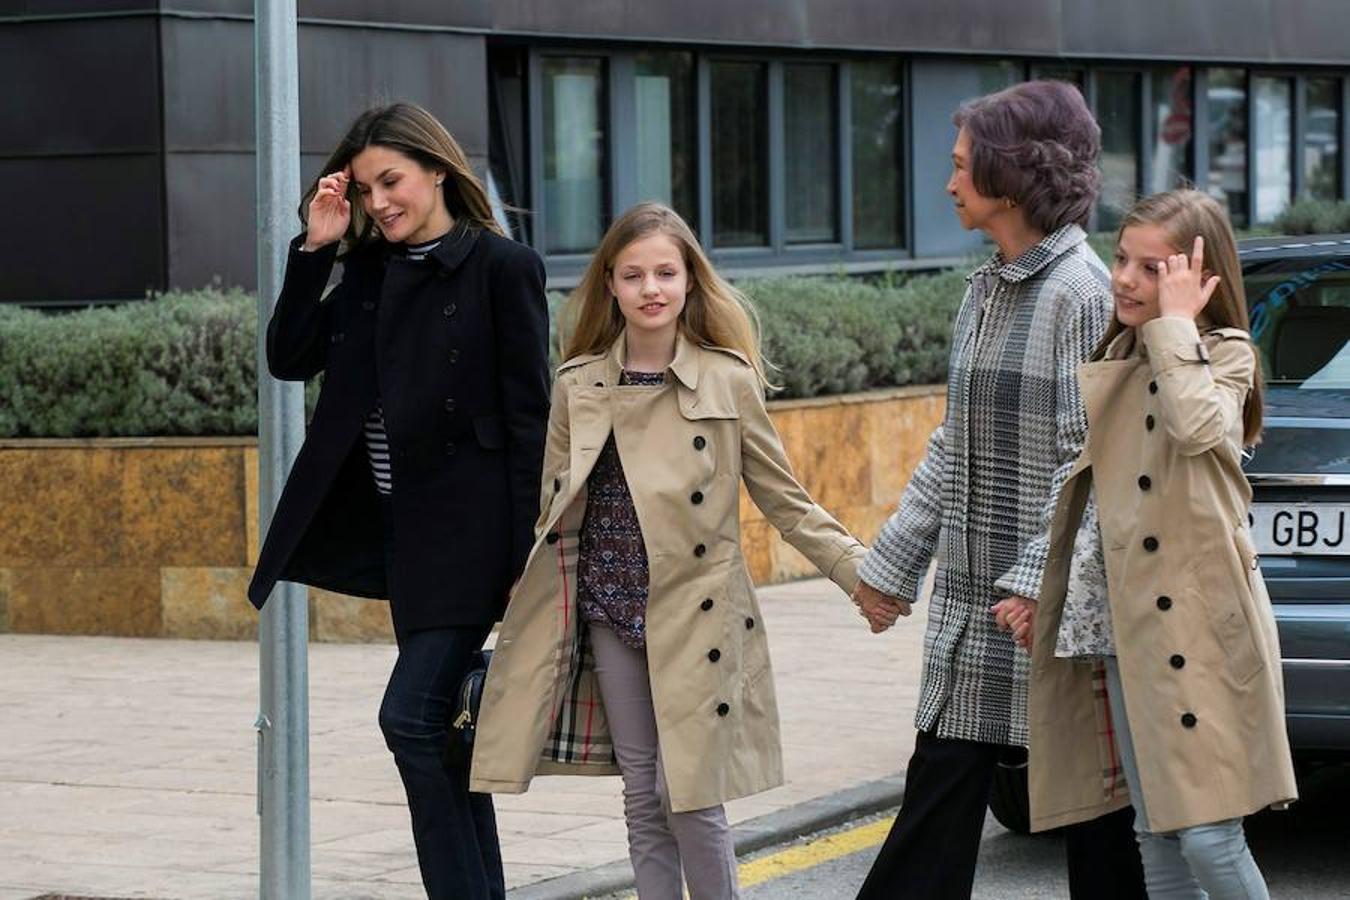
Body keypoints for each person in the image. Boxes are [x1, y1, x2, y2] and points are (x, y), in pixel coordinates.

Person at [468, 202, 866, 899]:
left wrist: (860, 575)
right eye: (632, 275)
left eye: (665, 272)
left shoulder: (728, 380)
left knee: (689, 794)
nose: (651, 288)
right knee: (641, 793)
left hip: (697, 613)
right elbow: (553, 509)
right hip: (608, 609)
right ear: (611, 287)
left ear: (689, 282)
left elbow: (785, 500)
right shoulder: (578, 384)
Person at [245, 102, 550, 900]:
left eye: (394, 181)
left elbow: (532, 423)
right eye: (368, 188)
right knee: (443, 737)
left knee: (409, 721)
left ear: (437, 170)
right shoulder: (369, 273)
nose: (381, 202)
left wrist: (529, 560)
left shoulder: (501, 268)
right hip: (402, 538)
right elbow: (287, 357)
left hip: (476, 538)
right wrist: (316, 246)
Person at [853, 80, 1147, 899]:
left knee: (1095, 827)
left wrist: (1031, 582)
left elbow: (1084, 462)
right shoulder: (986, 289)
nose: (948, 185)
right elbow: (956, 444)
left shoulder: (1081, 294)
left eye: (960, 167)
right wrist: (892, 565)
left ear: (1011, 174)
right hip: (975, 607)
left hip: (1047, 617)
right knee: (941, 795)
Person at [1005, 188, 1298, 899]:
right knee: (1157, 831)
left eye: (1154, 268)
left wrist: (1175, 325)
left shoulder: (1222, 354)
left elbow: (1198, 427)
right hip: (1133, 631)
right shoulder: (1120, 356)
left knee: (1208, 833)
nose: (1128, 280)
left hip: (1202, 630)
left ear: (1200, 281)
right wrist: (1039, 592)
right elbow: (1094, 499)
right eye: (1123, 260)